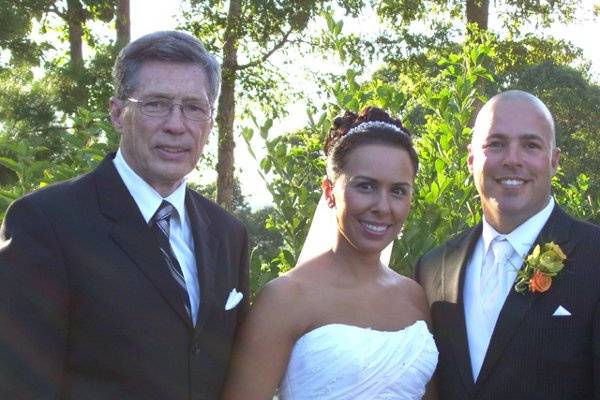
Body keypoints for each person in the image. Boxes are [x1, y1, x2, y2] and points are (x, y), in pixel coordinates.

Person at [0, 31, 249, 399]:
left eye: (193, 107)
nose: (176, 125)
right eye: (156, 104)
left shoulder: (229, 233)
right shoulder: (46, 221)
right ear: (117, 113)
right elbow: (19, 383)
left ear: (210, 123)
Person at [222, 107, 438, 400]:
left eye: (398, 191)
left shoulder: (415, 297)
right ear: (329, 191)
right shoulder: (285, 298)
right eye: (365, 186)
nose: (383, 206)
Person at [415, 90, 600, 400]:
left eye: (530, 145)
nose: (513, 160)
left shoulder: (594, 255)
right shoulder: (434, 268)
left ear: (554, 161)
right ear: (471, 158)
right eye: (496, 144)